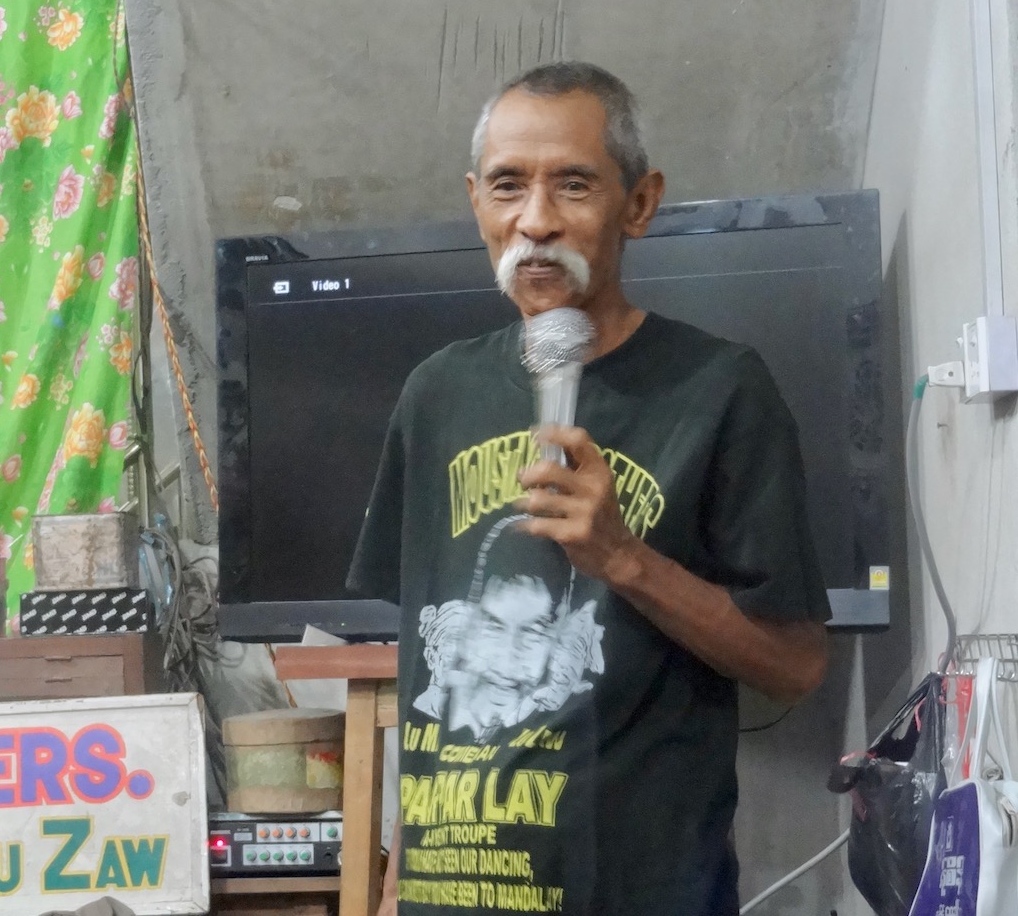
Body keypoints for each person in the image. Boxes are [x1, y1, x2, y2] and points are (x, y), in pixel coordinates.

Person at [347, 62, 830, 916]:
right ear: (475, 202)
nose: (534, 221)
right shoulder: (435, 393)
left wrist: (624, 559)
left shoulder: (720, 390)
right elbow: (428, 666)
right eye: (507, 186)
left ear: (638, 204)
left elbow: (794, 663)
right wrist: (395, 888)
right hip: (452, 891)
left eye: (572, 185)